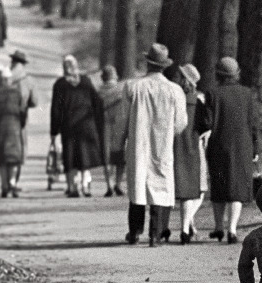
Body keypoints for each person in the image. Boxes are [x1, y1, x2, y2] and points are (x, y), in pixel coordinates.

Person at [122, 43, 187, 246]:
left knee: (138, 186)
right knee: (160, 185)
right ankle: (155, 233)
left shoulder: (133, 87)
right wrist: (167, 132)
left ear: (147, 63)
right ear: (164, 66)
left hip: (138, 144)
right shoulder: (175, 90)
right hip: (162, 143)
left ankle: (134, 231)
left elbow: (125, 117)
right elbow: (180, 123)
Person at [203, 56, 256, 244]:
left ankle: (218, 227)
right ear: (237, 74)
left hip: (218, 145)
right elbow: (253, 124)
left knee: (219, 186)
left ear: (218, 74)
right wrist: (255, 148)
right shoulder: (247, 94)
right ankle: (232, 230)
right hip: (242, 146)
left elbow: (207, 123)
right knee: (237, 188)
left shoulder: (212, 94)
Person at [50, 55, 105, 197]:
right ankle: (86, 186)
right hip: (86, 125)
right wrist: (98, 124)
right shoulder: (86, 81)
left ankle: (73, 187)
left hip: (69, 126)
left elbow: (55, 110)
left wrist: (54, 131)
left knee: (70, 157)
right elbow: (97, 103)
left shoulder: (60, 84)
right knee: (84, 157)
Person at [167, 63, 206, 244]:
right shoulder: (198, 101)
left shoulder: (173, 97)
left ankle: (164, 228)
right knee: (192, 192)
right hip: (193, 146)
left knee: (174, 189)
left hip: (174, 145)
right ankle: (184, 227)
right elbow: (206, 125)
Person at [0, 65, 23, 198]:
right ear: (10, 79)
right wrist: (20, 125)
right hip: (14, 129)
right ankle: (12, 182)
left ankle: (4, 185)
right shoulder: (17, 93)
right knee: (13, 158)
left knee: (2, 159)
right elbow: (22, 112)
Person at [9, 50, 38, 191]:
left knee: (5, 149)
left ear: (13, 62)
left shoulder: (4, 77)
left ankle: (7, 181)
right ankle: (14, 181)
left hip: (4, 119)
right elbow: (34, 102)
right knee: (20, 149)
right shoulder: (28, 79)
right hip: (21, 119)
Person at [98, 65, 127, 197]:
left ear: (103, 77)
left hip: (105, 126)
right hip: (120, 126)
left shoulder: (98, 93)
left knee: (107, 157)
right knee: (120, 157)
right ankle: (118, 184)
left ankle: (109, 184)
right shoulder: (122, 90)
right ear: (115, 76)